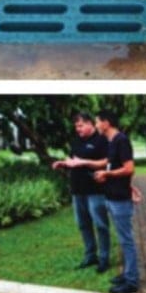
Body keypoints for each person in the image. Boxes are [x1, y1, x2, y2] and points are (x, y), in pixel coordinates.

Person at [52, 112, 110, 274]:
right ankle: (90, 255)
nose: (78, 129)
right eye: (76, 126)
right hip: (77, 191)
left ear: (91, 124)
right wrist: (63, 163)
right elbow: (73, 162)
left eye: (81, 125)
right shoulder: (76, 142)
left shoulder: (101, 140)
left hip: (95, 191)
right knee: (83, 225)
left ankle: (104, 258)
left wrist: (84, 162)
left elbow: (107, 162)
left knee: (100, 225)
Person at [93, 110, 138, 293]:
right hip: (112, 196)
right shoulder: (111, 142)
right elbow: (116, 167)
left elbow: (129, 168)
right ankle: (127, 274)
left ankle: (132, 280)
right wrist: (106, 176)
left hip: (120, 200)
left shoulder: (121, 140)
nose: (96, 125)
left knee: (126, 241)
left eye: (97, 122)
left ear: (106, 123)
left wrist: (107, 174)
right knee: (122, 239)